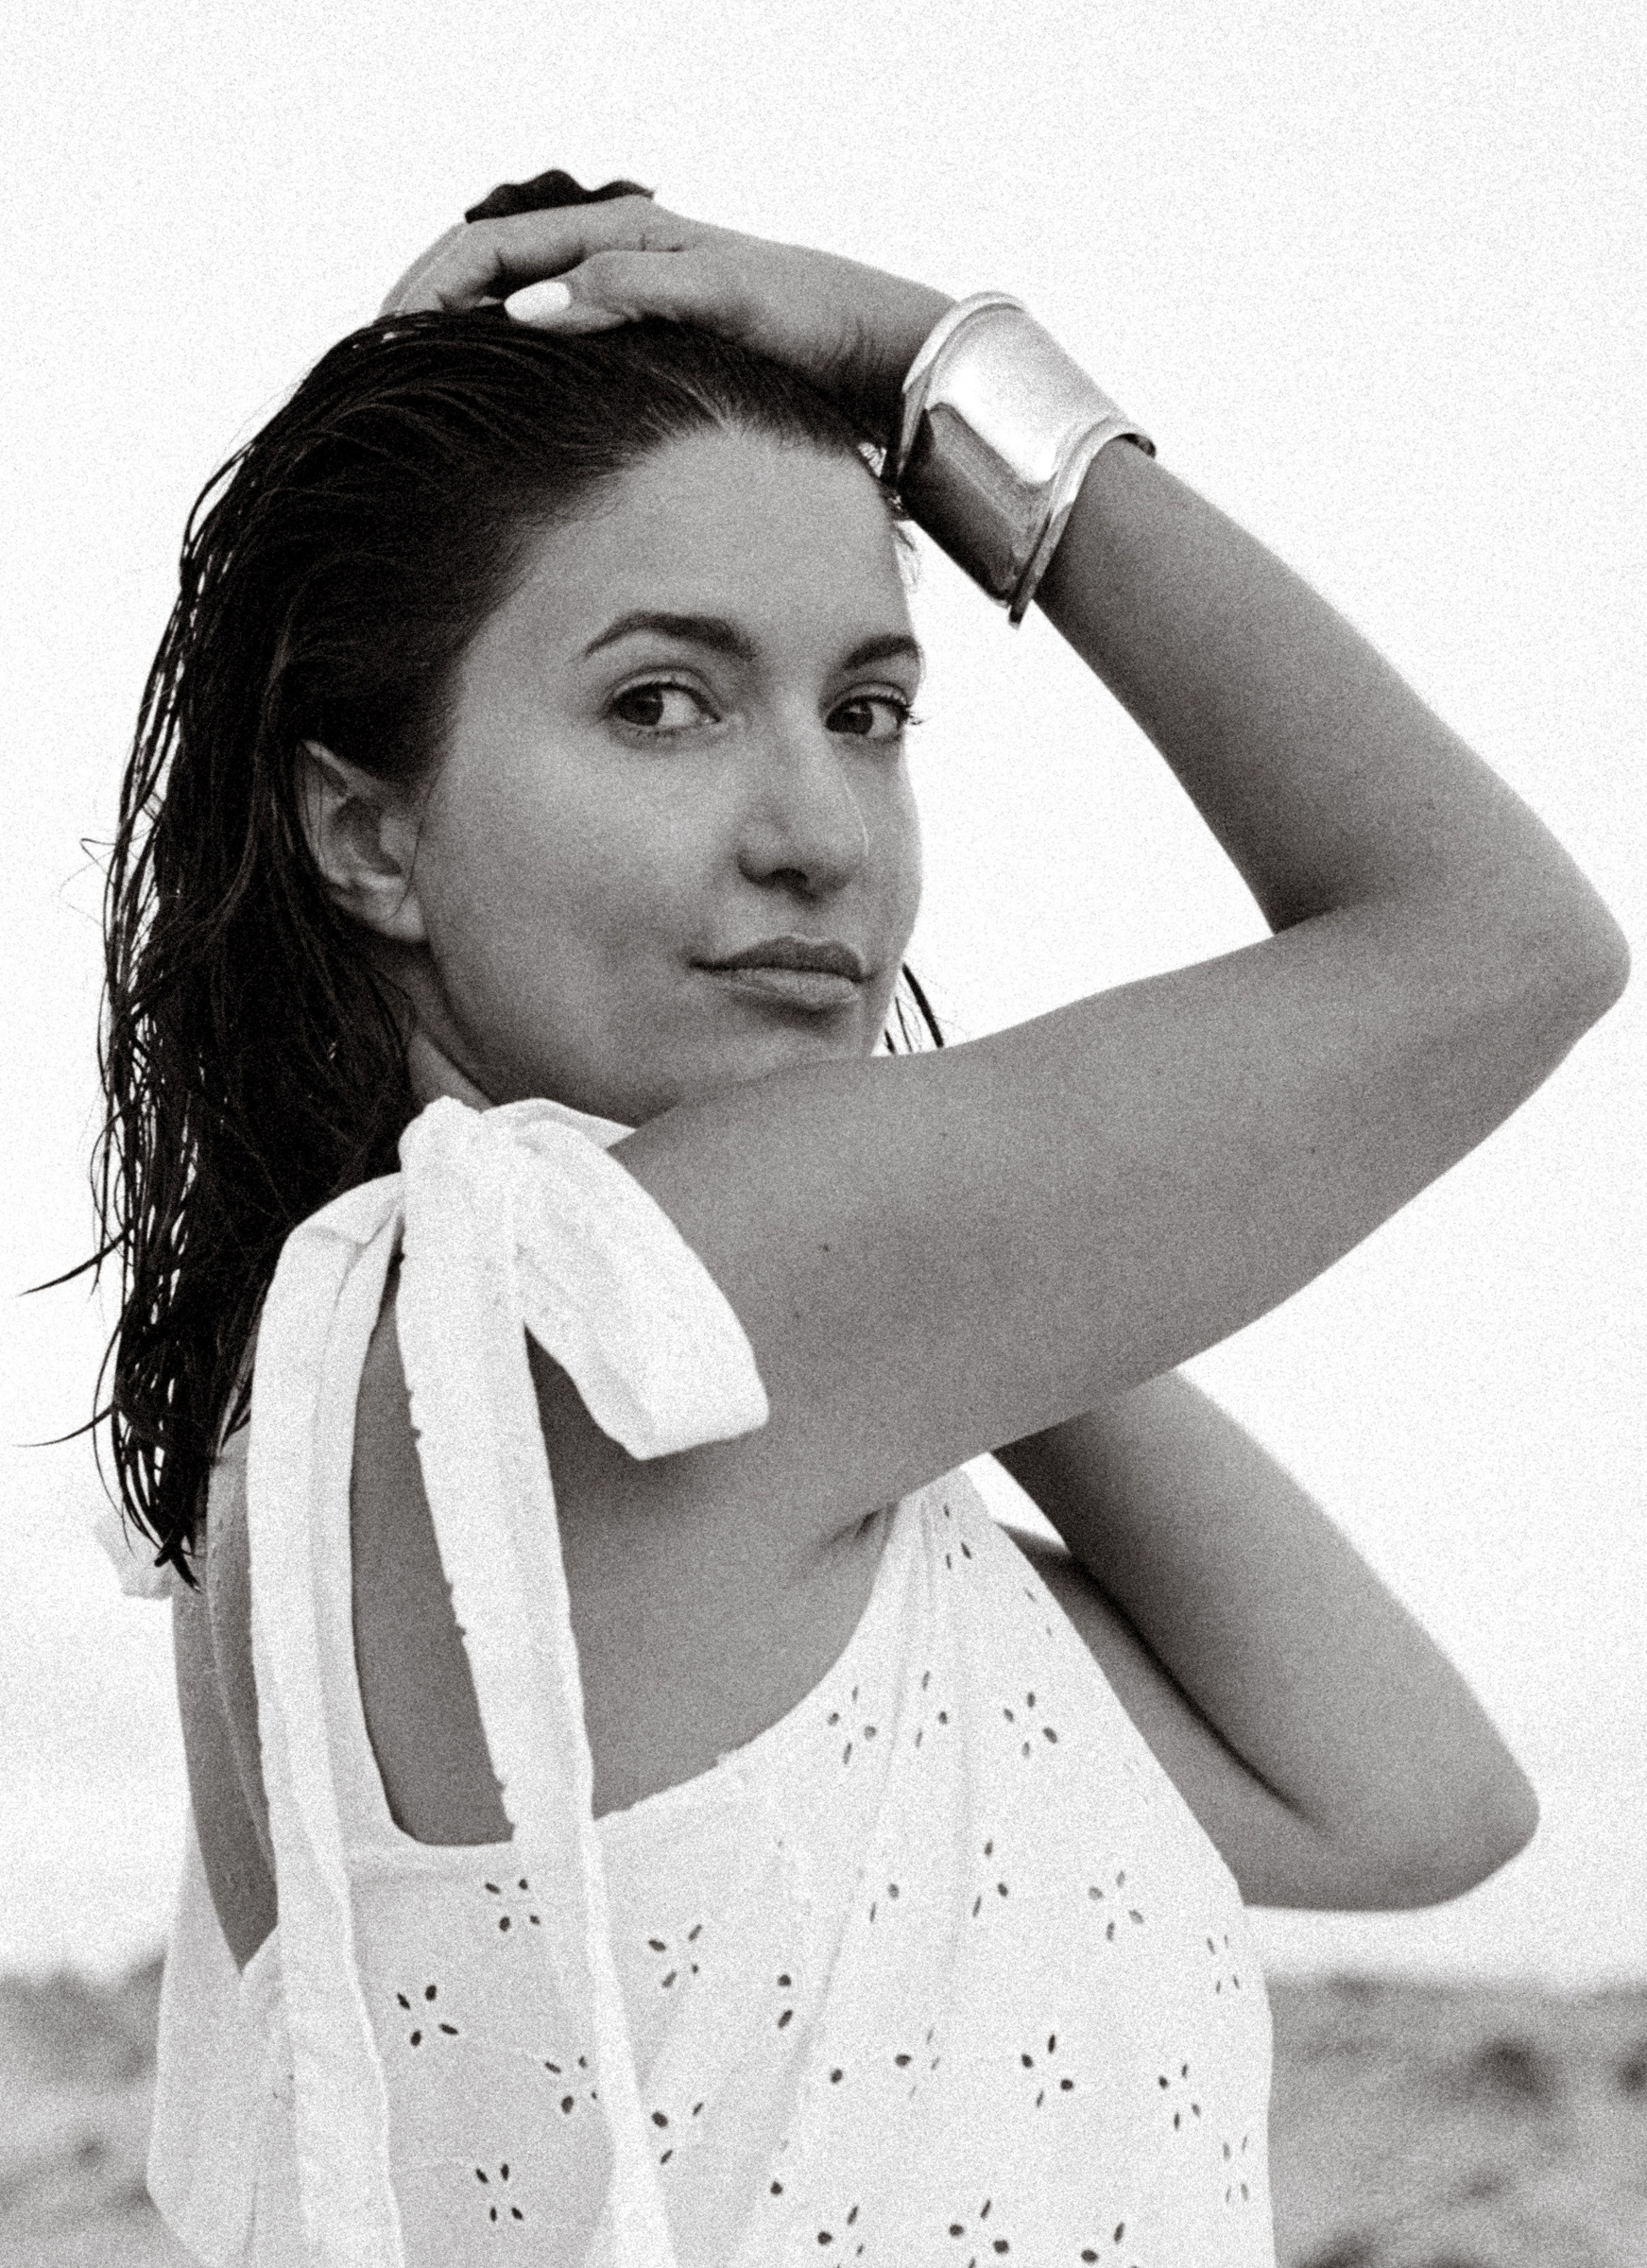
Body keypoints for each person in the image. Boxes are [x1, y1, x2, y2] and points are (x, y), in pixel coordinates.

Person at [92, 172, 1627, 2268]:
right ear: (368, 831)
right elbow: (1507, 940)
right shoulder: (648, 1294)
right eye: (662, 701)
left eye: (868, 711)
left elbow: (1407, 1802)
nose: (821, 834)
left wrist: (991, 1273)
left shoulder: (353, 1423)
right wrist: (942, 372)